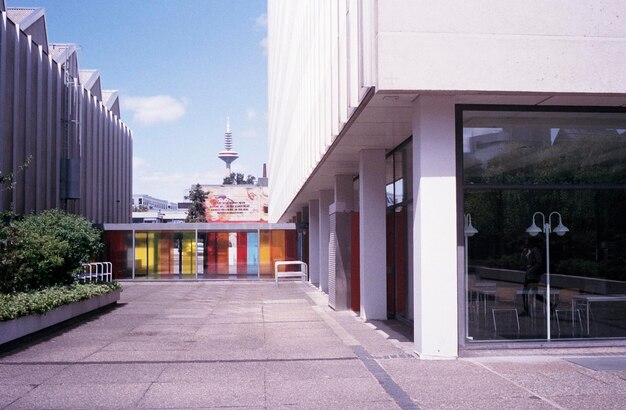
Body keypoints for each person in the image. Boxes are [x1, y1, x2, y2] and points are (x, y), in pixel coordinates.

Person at [520, 239, 544, 316]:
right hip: (528, 275)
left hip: (533, 276)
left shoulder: (535, 250)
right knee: (533, 294)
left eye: (527, 241)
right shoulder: (528, 251)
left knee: (526, 292)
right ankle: (551, 305)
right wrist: (523, 253)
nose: (526, 242)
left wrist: (531, 270)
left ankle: (526, 310)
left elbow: (539, 262)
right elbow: (523, 263)